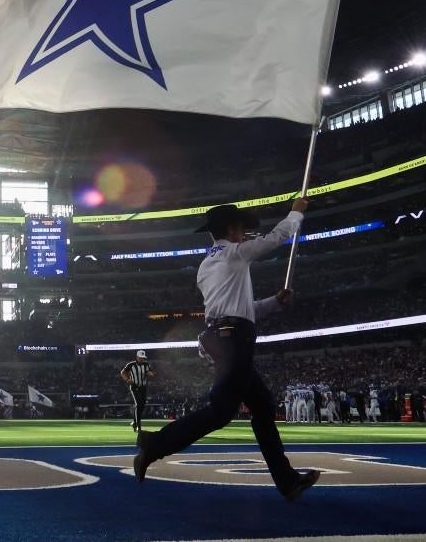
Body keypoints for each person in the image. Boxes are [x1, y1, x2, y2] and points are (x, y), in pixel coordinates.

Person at [133, 199, 320, 502]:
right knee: (221, 411)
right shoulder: (234, 254)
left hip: (224, 334)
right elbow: (276, 238)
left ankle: (288, 481)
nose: (246, 234)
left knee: (262, 405)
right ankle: (153, 446)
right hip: (234, 338)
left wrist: (275, 302)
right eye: (242, 229)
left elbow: (241, 310)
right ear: (232, 230)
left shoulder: (209, 264)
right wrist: (296, 211)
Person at [119, 350, 154, 432]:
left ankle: (134, 422)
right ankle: (138, 426)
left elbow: (149, 371)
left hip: (143, 387)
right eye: (141, 358)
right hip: (134, 386)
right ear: (137, 357)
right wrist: (127, 379)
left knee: (142, 405)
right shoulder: (131, 365)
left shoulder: (146, 364)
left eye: (143, 358)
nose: (142, 359)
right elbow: (123, 372)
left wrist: (150, 373)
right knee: (138, 404)